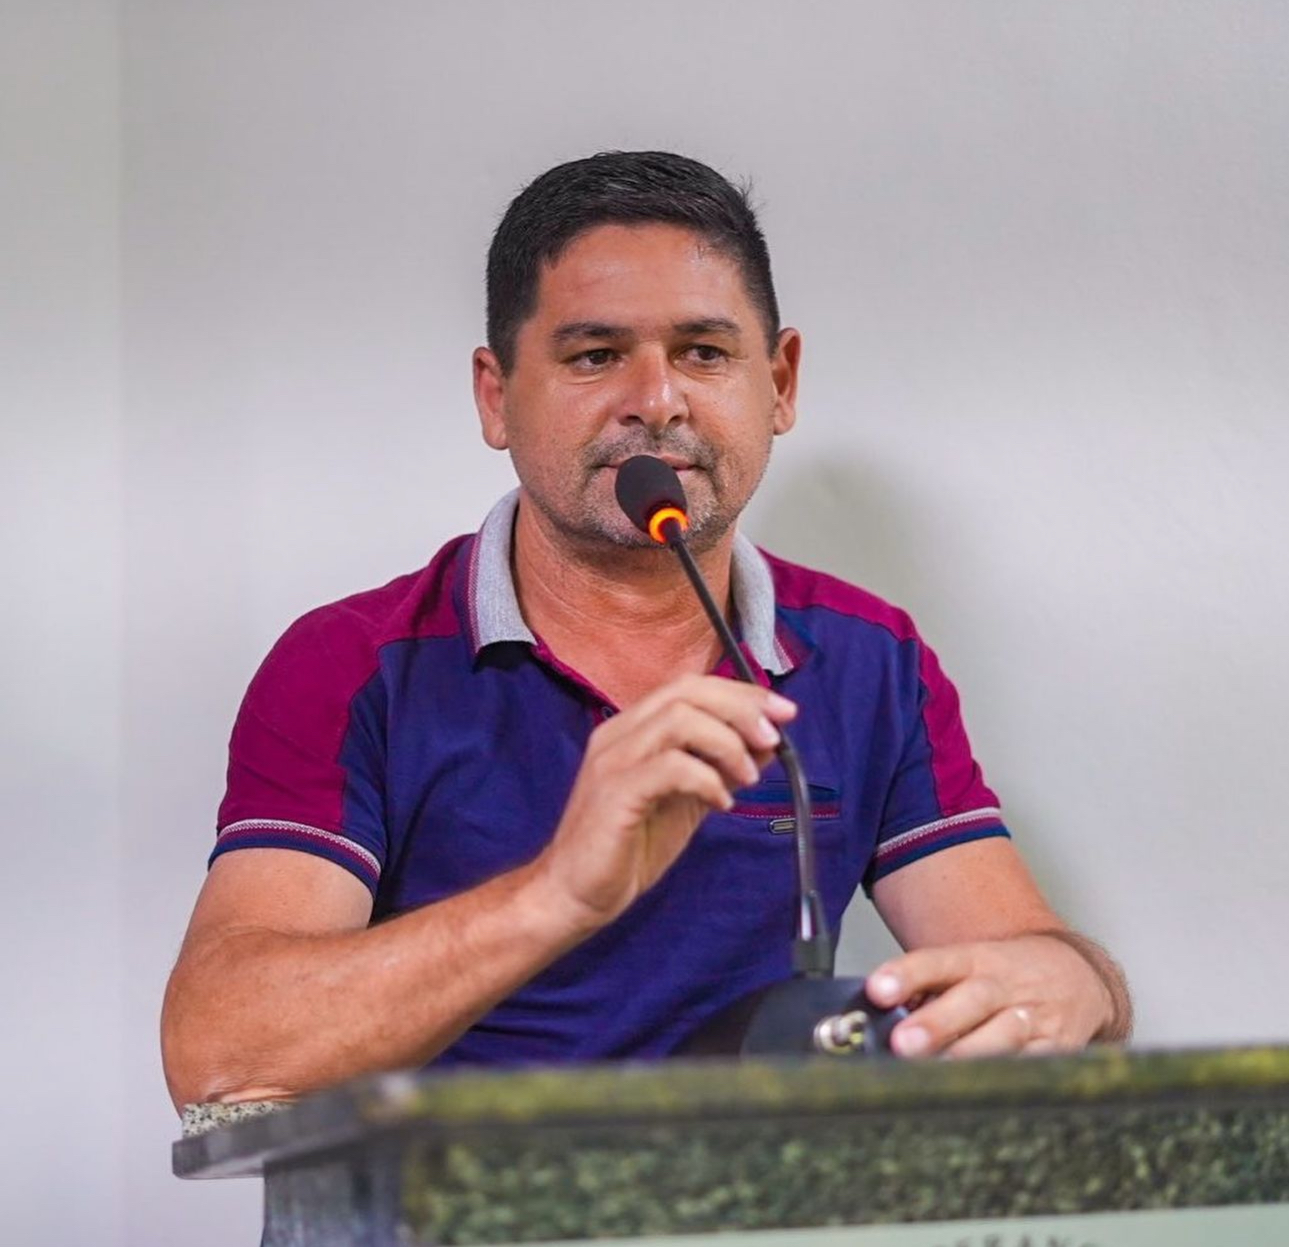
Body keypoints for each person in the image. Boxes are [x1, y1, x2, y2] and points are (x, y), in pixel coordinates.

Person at [161, 151, 1131, 1110]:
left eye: (704, 352)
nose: (657, 401)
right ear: (496, 396)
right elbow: (218, 1050)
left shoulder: (870, 658)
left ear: (781, 382)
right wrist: (557, 893)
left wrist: (1076, 985)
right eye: (595, 356)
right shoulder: (350, 665)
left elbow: (1035, 962)